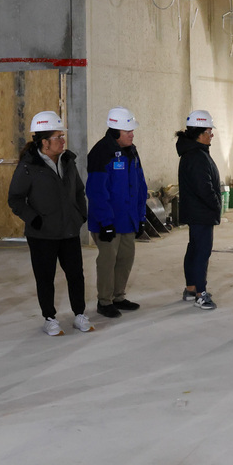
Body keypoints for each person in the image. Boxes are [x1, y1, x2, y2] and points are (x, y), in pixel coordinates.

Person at [8, 111, 93, 336]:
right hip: (42, 234)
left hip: (69, 231)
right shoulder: (29, 166)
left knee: (76, 275)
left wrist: (80, 215)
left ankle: (79, 314)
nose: (63, 140)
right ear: (44, 142)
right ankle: (49, 317)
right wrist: (34, 218)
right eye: (58, 136)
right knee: (45, 278)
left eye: (62, 136)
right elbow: (15, 199)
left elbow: (78, 191)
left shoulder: (68, 161)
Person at [87, 107, 149, 319]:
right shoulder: (100, 153)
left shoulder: (131, 150)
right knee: (107, 261)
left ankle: (118, 297)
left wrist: (141, 217)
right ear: (115, 132)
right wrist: (105, 222)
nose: (132, 134)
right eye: (128, 131)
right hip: (108, 221)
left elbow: (140, 185)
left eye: (132, 130)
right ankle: (104, 302)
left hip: (128, 220)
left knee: (125, 259)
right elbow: (96, 191)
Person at [175, 110, 221, 310]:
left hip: (196, 212)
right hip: (201, 213)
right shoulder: (196, 156)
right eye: (210, 130)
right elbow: (204, 187)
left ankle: (191, 288)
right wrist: (216, 205)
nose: (212, 134)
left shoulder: (193, 152)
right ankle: (201, 294)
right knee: (201, 252)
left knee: (194, 249)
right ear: (200, 133)